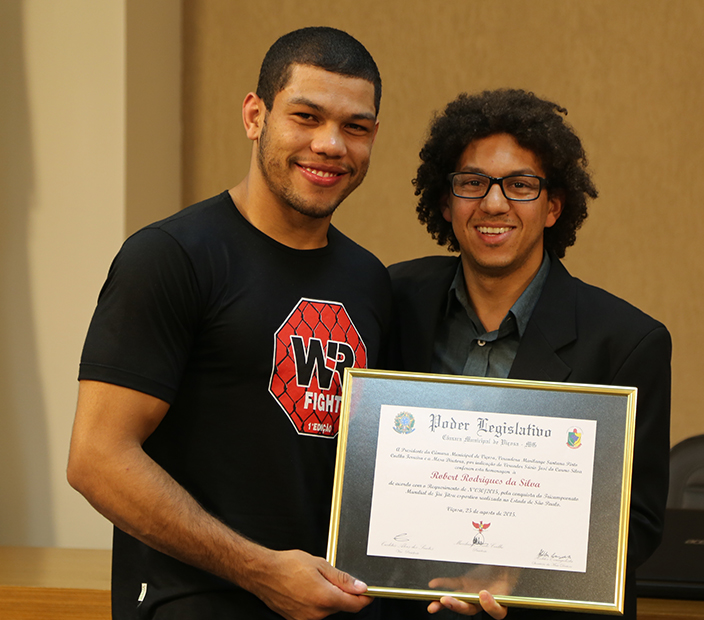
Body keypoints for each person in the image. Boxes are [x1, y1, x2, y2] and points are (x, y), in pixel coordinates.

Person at [67, 27, 390, 620]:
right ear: (254, 115)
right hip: (192, 604)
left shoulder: (370, 282)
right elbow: (96, 458)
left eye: (355, 127)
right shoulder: (171, 256)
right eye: (306, 116)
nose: (330, 144)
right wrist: (260, 571)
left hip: (327, 607)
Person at [387, 90, 672, 619]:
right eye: (472, 183)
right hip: (407, 604)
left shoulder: (627, 342)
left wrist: (517, 575)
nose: (493, 204)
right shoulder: (391, 300)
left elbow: (637, 524)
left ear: (553, 207)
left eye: (520, 185)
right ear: (446, 202)